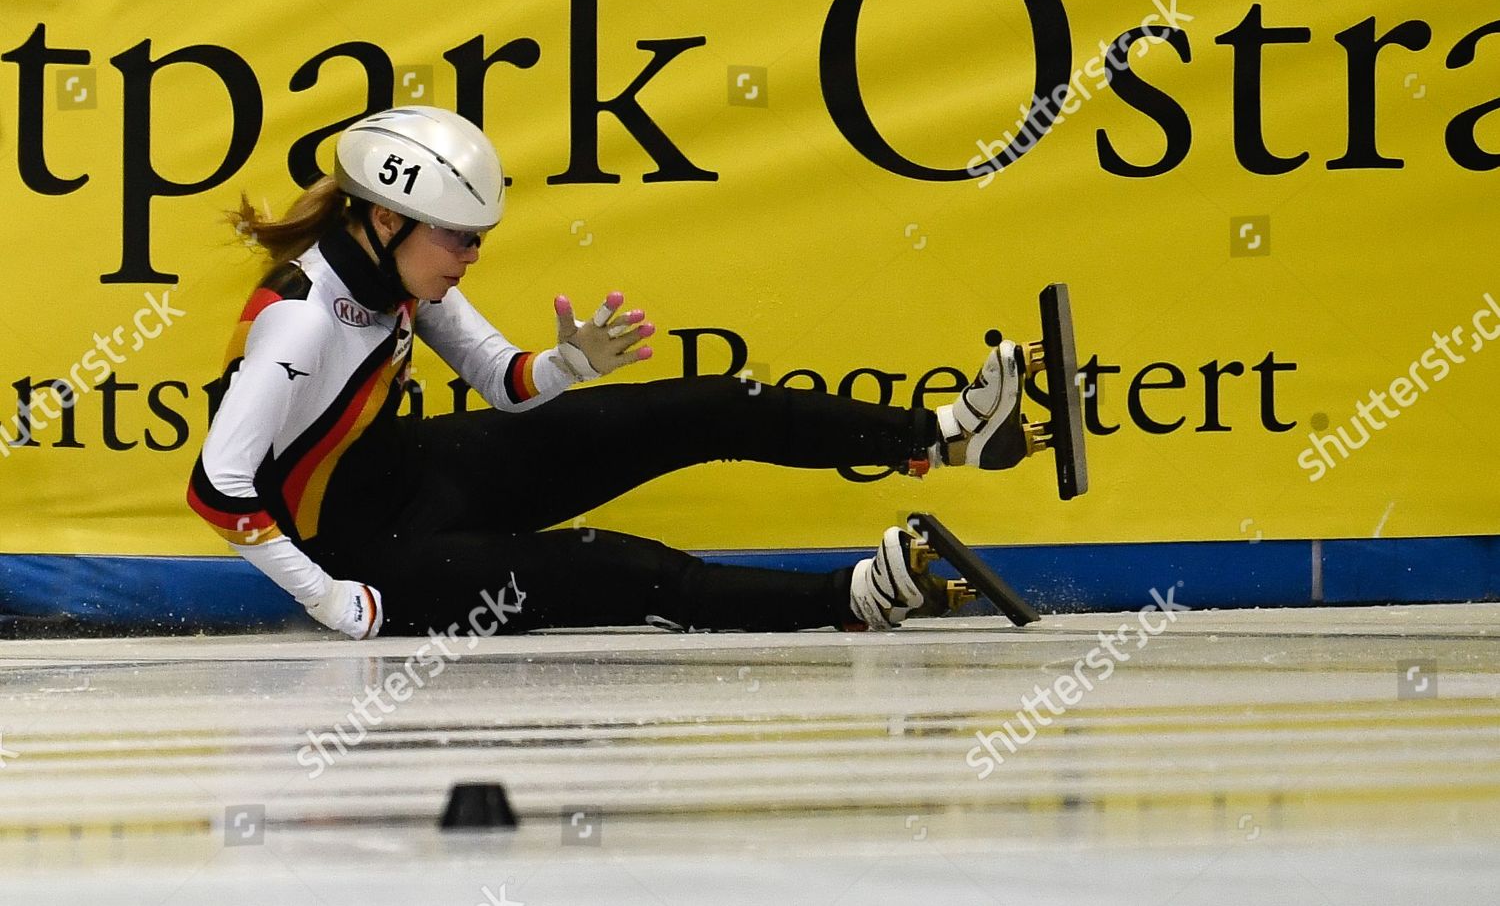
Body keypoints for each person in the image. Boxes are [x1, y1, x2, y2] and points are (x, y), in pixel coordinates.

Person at [187, 107, 1046, 640]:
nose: (472, 255)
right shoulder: (299, 320)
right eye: (460, 237)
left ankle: (940, 435)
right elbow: (218, 488)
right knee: (630, 571)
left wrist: (567, 364)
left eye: (480, 236)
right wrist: (334, 601)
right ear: (385, 218)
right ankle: (849, 596)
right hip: (377, 556)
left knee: (702, 404)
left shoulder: (400, 268)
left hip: (421, 473)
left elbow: (501, 377)